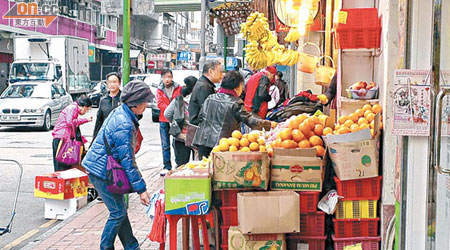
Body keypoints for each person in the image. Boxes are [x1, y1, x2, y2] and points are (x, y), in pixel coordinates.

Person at [82, 80, 153, 250]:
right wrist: (141, 189)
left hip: (103, 167)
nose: (147, 105)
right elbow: (128, 161)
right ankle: (106, 247)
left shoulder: (122, 112)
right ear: (136, 103)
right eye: (145, 101)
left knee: (119, 211)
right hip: (101, 171)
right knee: (118, 213)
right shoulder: (124, 123)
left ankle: (131, 246)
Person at [193, 71, 272, 159]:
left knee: (205, 168)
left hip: (202, 142)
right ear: (239, 86)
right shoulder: (235, 103)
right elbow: (252, 121)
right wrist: (271, 125)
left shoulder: (210, 98)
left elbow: (201, 117)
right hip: (222, 145)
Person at [52, 96, 93, 172]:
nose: (85, 112)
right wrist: (85, 120)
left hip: (63, 138)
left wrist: (83, 140)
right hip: (62, 138)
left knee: (64, 164)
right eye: (87, 110)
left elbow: (74, 130)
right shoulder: (72, 108)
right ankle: (60, 182)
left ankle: (62, 181)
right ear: (83, 106)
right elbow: (70, 122)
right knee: (61, 164)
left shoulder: (74, 110)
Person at [164, 76, 197, 167]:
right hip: (195, 136)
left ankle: (181, 181)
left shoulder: (178, 99)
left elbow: (167, 114)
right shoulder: (197, 99)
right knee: (198, 165)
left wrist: (174, 122)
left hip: (180, 136)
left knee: (181, 165)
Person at [156, 69, 182, 176]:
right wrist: (169, 111)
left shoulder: (178, 88)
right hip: (163, 119)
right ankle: (167, 166)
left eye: (169, 77)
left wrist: (172, 113)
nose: (167, 79)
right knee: (165, 144)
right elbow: (159, 103)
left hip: (176, 119)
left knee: (176, 143)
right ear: (162, 78)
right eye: (165, 77)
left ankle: (178, 165)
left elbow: (180, 101)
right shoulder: (159, 89)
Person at [188, 60, 223, 125]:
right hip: (200, 127)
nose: (222, 75)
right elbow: (208, 111)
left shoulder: (204, 84)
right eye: (220, 72)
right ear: (210, 71)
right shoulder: (204, 87)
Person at [93, 72, 122, 140]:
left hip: (121, 135)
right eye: (110, 82)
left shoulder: (124, 99)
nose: (112, 84)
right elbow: (99, 121)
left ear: (119, 83)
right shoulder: (103, 100)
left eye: (114, 82)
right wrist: (94, 139)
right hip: (106, 136)